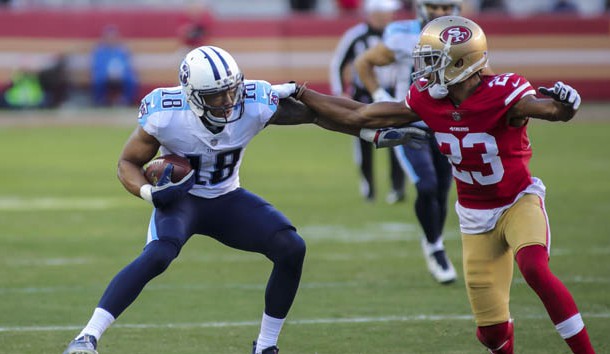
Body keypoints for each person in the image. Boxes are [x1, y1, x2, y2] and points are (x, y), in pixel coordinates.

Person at [62, 45, 419, 354]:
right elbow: (128, 162)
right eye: (217, 96)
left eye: (232, 90)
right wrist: (148, 192)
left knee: (291, 247)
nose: (229, 101)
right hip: (182, 201)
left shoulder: (254, 101)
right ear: (192, 94)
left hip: (226, 199)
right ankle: (86, 337)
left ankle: (265, 345)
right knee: (158, 254)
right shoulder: (165, 111)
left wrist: (368, 133)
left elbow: (317, 115)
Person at [288, 15, 596, 354]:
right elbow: (361, 115)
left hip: (517, 201)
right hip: (474, 218)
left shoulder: (503, 93)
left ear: (462, 63)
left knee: (534, 267)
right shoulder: (427, 98)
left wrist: (566, 106)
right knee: (492, 335)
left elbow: (549, 109)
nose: (423, 68)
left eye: (433, 60)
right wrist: (304, 93)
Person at [354, 0, 462, 283]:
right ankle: (435, 247)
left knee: (442, 189)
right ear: (421, 8)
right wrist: (381, 97)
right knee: (426, 184)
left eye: (446, 8)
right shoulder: (402, 34)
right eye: (435, 7)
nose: (440, 13)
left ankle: (433, 240)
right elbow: (364, 62)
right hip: (410, 121)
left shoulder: (465, 35)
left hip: (447, 123)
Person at [329, 0, 407, 204]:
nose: (386, 16)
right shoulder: (356, 36)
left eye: (389, 13)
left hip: (393, 95)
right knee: (364, 141)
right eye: (382, 12)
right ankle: (369, 188)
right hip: (363, 96)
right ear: (372, 13)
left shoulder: (399, 36)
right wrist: (340, 92)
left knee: (398, 142)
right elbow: (338, 63)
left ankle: (397, 188)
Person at [90, 25, 138, 107]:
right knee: (98, 80)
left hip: (121, 75)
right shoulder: (100, 51)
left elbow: (127, 65)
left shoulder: (121, 50)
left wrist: (120, 72)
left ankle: (126, 101)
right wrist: (107, 73)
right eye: (109, 37)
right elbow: (97, 66)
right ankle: (100, 101)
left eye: (113, 37)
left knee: (130, 80)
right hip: (105, 75)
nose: (111, 39)